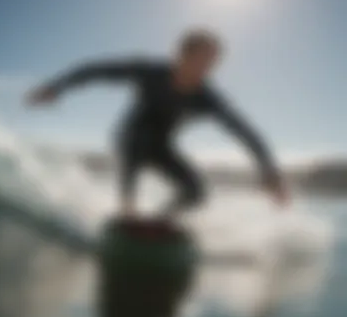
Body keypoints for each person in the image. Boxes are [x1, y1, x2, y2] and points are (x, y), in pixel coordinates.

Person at [26, 29, 289, 219]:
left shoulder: (207, 97)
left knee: (196, 192)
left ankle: (159, 223)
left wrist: (270, 175)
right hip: (130, 137)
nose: (204, 68)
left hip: (161, 146)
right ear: (181, 55)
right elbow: (96, 70)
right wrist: (56, 87)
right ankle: (126, 207)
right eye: (199, 59)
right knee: (140, 140)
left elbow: (246, 133)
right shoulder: (150, 72)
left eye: (211, 63)